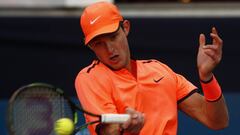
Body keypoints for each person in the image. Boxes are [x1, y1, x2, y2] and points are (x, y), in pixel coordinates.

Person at [75, 2, 229, 135]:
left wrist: (206, 77)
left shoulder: (160, 71)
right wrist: (125, 127)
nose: (109, 49)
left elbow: (218, 121)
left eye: (113, 37)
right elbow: (107, 130)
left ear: (126, 28)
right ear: (89, 46)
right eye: (98, 44)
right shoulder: (89, 78)